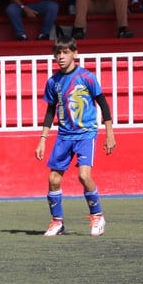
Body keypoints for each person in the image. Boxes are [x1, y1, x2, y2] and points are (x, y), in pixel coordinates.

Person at [35, 36, 115, 237]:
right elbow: (50, 111)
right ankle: (57, 222)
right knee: (53, 179)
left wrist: (109, 133)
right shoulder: (53, 81)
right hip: (64, 135)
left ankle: (97, 216)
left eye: (65, 52)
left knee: (83, 175)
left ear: (75, 54)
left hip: (86, 134)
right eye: (58, 53)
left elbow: (103, 104)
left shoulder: (86, 77)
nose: (61, 57)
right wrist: (43, 139)